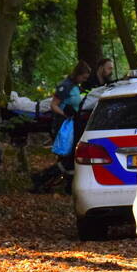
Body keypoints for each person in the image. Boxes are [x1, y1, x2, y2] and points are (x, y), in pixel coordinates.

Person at [30, 62, 92, 193]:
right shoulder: (65, 86)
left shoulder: (75, 86)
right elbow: (54, 105)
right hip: (63, 124)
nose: (84, 80)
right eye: (84, 77)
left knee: (70, 157)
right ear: (78, 74)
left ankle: (66, 186)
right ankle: (42, 178)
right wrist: (64, 114)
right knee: (67, 157)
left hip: (72, 124)